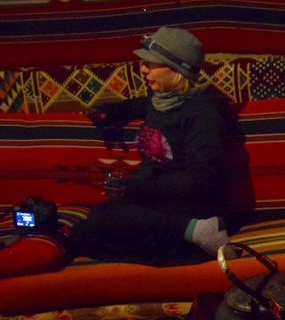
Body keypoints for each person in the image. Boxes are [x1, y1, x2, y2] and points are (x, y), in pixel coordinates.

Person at [70, 26, 230, 265]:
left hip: (187, 207)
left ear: (178, 69)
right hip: (156, 203)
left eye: (152, 63)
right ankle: (191, 239)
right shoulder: (158, 102)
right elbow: (138, 105)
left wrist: (137, 187)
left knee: (96, 226)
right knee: (91, 225)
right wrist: (109, 113)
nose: (143, 68)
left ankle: (198, 234)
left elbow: (203, 181)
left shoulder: (202, 116)